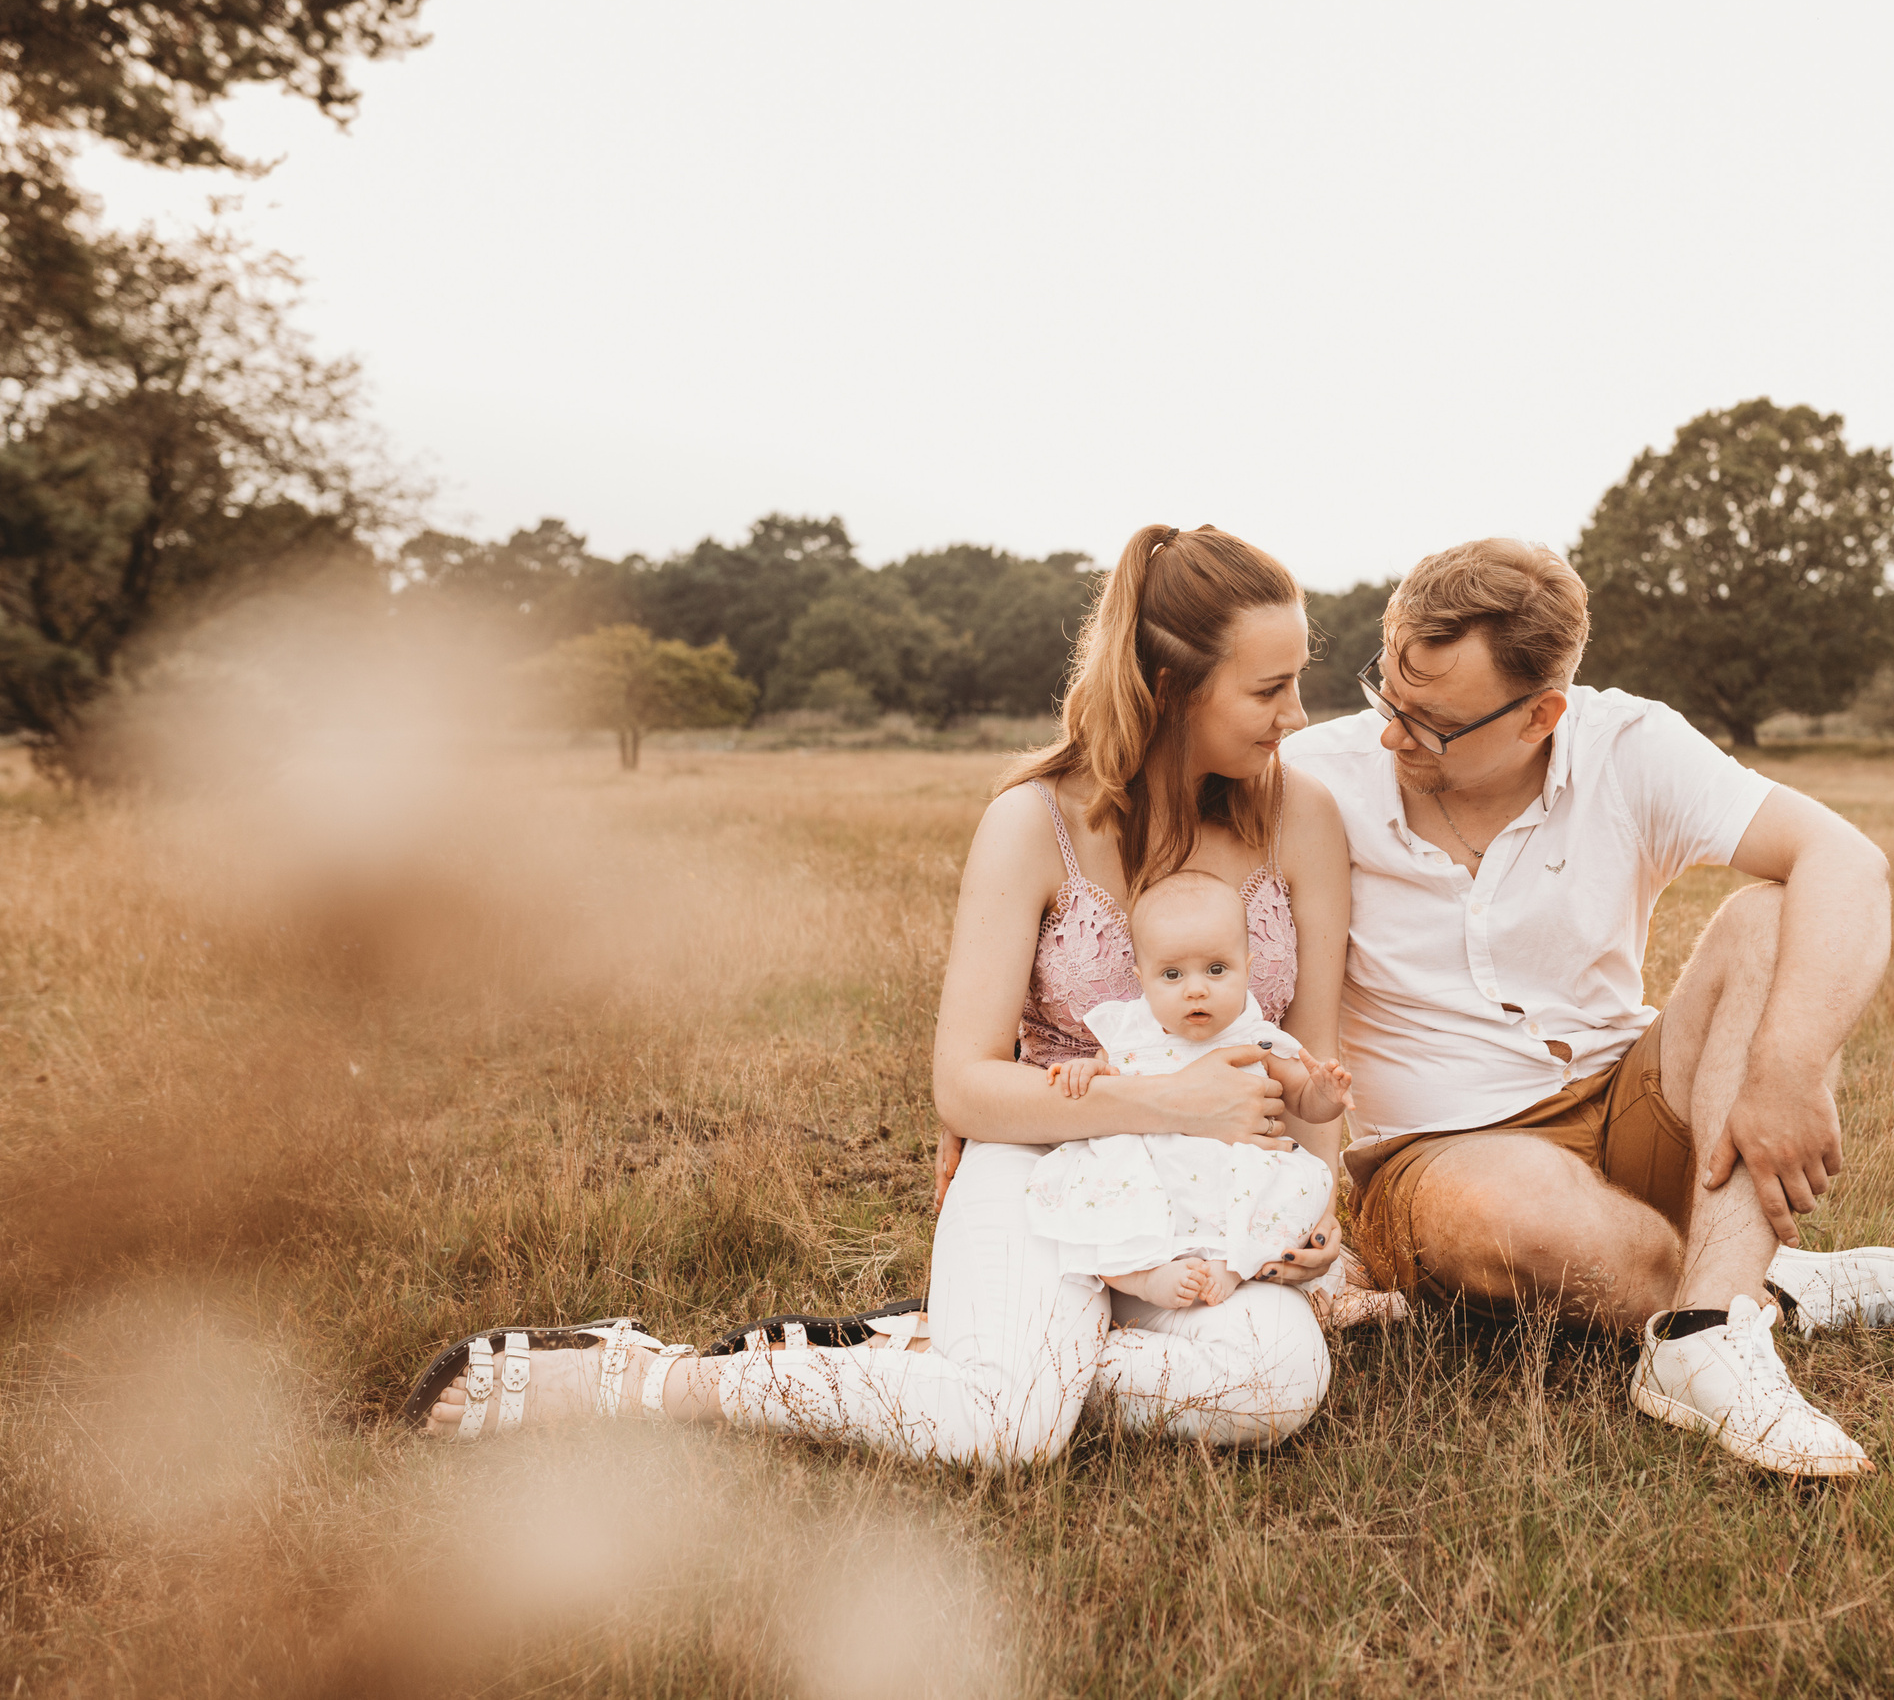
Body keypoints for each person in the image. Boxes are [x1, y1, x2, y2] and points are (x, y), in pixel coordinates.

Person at [407, 524, 1353, 1462]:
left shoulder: (1300, 816)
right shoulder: (1031, 823)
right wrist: (1171, 1101)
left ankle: (971, 1353)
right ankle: (665, 1378)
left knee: (1277, 1384)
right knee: (1007, 1433)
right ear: (1170, 689)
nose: (1298, 715)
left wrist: (1312, 1222)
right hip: (1045, 1161)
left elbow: (1312, 1065)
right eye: (1271, 688)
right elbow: (967, 1087)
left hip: (1216, 1208)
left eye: (1299, 679)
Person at [1279, 538, 1894, 1478]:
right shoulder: (1311, 775)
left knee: (1772, 918)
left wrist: (1787, 1069)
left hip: (1626, 1100)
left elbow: (1848, 862)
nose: (1394, 736)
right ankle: (1758, 1284)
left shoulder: (1627, 746)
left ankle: (1699, 1337)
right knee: (1528, 1216)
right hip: (1437, 1157)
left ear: (1541, 714)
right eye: (1385, 695)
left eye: (1434, 724)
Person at [1032, 870, 1353, 1311]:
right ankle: (1142, 1277)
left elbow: (1301, 1098)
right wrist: (1085, 1070)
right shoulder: (1132, 1032)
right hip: (1152, 1170)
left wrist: (1324, 1094)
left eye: (1217, 969)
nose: (1197, 988)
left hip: (1231, 1175)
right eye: (1172, 974)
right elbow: (1109, 1073)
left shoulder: (1254, 1035)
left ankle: (1234, 1263)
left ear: (1249, 968)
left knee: (1290, 1189)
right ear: (1140, 978)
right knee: (1102, 1202)